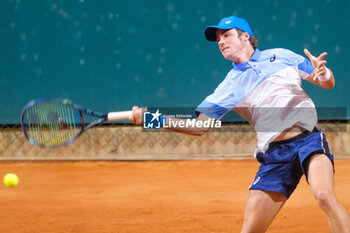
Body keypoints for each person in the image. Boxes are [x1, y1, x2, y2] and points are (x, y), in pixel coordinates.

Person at [129, 16, 350, 232]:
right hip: (275, 155)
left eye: (226, 35)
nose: (221, 42)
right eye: (218, 40)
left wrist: (324, 72)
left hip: (308, 140)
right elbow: (199, 126)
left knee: (324, 196)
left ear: (245, 37)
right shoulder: (229, 86)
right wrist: (152, 118)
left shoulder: (281, 56)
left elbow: (326, 83)